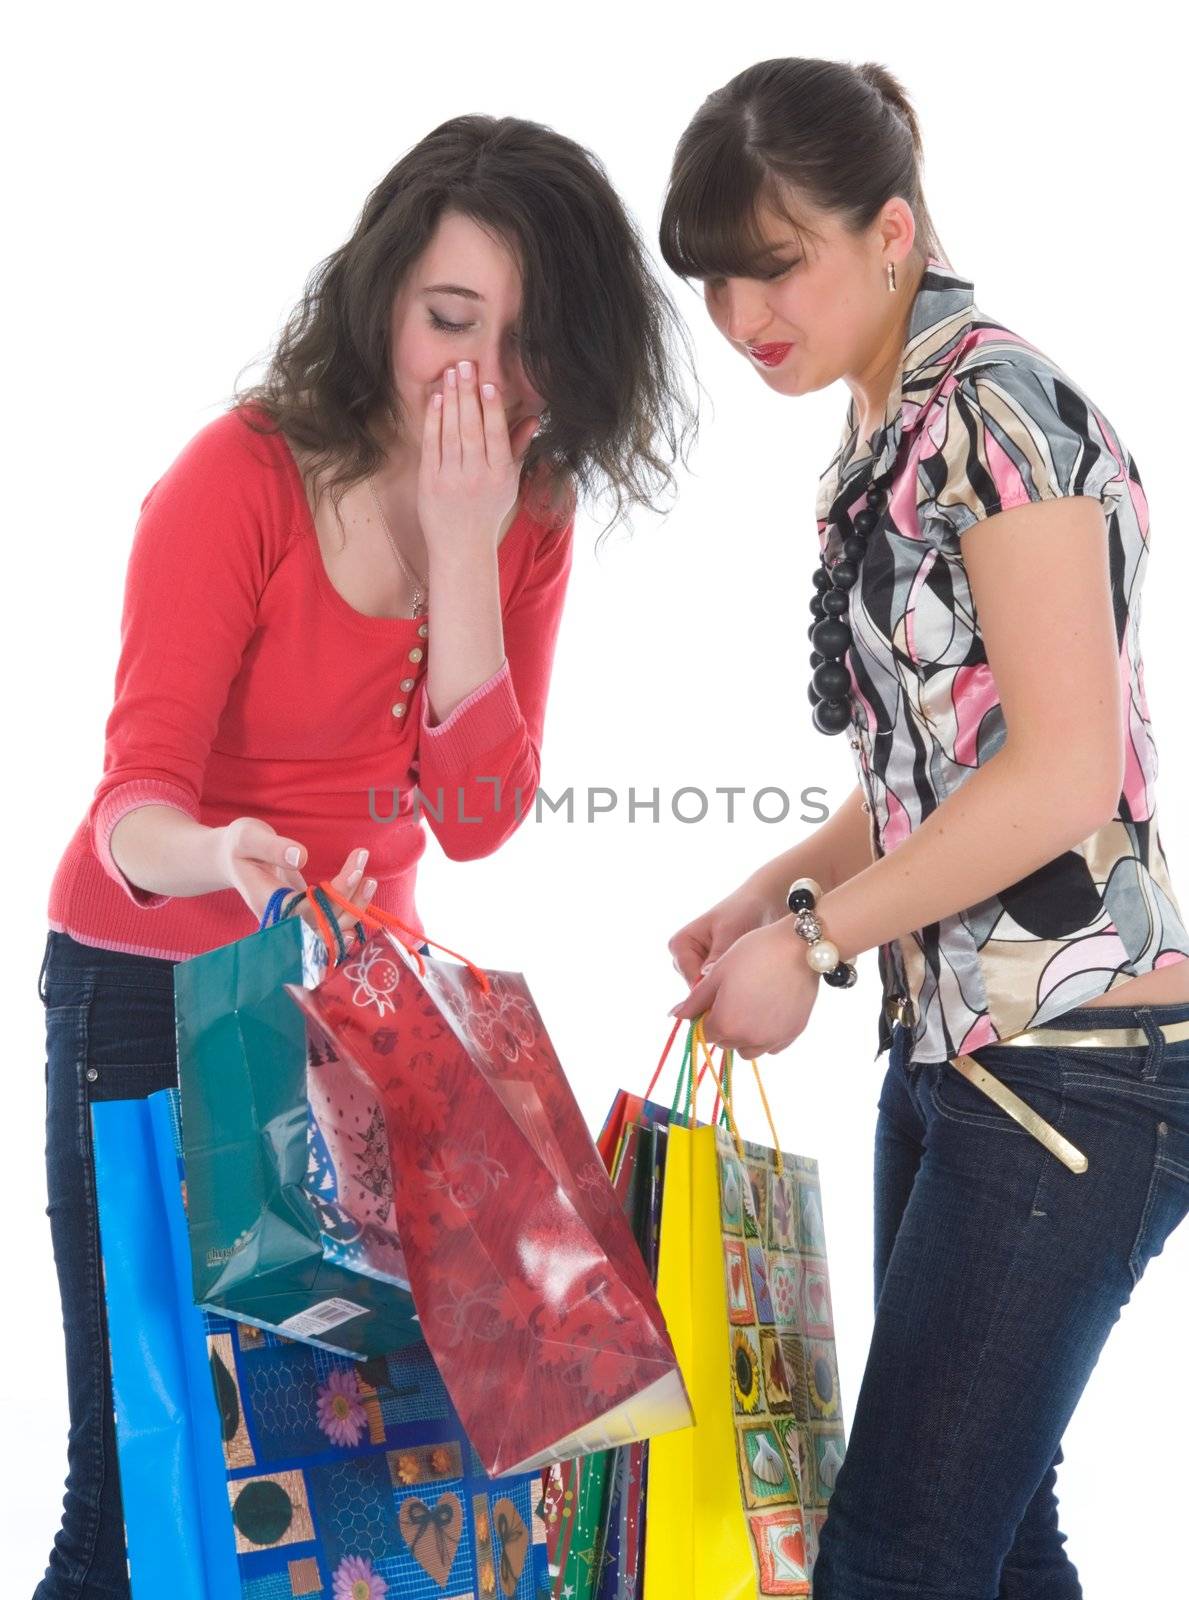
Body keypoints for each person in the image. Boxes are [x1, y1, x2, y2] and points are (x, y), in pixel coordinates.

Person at [36, 113, 695, 1599]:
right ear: (382, 296)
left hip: (364, 1017)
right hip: (153, 1005)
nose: (479, 376)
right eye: (447, 320)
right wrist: (224, 852)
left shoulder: (524, 510)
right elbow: (125, 810)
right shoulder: (240, 475)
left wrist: (464, 548)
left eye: (526, 344)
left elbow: (471, 819)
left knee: (348, 1481)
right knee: (143, 1475)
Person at [662, 56, 1189, 1599]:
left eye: (779, 265)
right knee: (993, 1549)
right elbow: (961, 763)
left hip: (1078, 1072)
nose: (746, 316)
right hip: (965, 1051)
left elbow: (1065, 778)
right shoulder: (893, 420)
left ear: (889, 228)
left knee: (893, 1561)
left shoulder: (995, 411)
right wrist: (775, 888)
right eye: (717, 283)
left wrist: (815, 940)